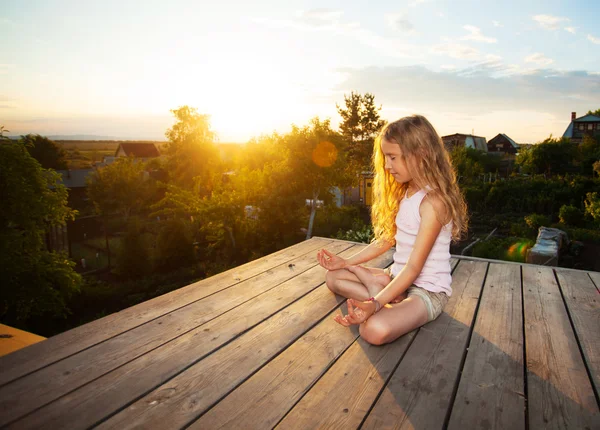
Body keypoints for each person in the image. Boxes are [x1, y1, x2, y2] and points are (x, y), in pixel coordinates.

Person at [316, 115, 468, 345]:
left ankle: (378, 292)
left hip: (426, 292)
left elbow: (414, 268)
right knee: (333, 277)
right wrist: (346, 262)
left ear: (421, 154)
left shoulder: (434, 203)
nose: (387, 166)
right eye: (386, 157)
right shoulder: (404, 191)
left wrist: (375, 304)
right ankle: (380, 289)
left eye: (393, 157)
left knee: (373, 330)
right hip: (397, 276)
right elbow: (387, 240)